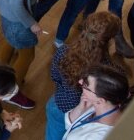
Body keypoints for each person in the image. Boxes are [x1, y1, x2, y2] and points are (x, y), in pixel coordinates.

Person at [45, 12, 124, 140]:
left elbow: (54, 76)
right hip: (88, 114)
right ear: (110, 39)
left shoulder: (63, 51)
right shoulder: (110, 71)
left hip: (59, 104)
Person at [63, 64, 130, 139]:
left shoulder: (99, 137)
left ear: (100, 100)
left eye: (86, 84)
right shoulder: (99, 104)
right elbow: (70, 125)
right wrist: (80, 108)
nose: (80, 82)